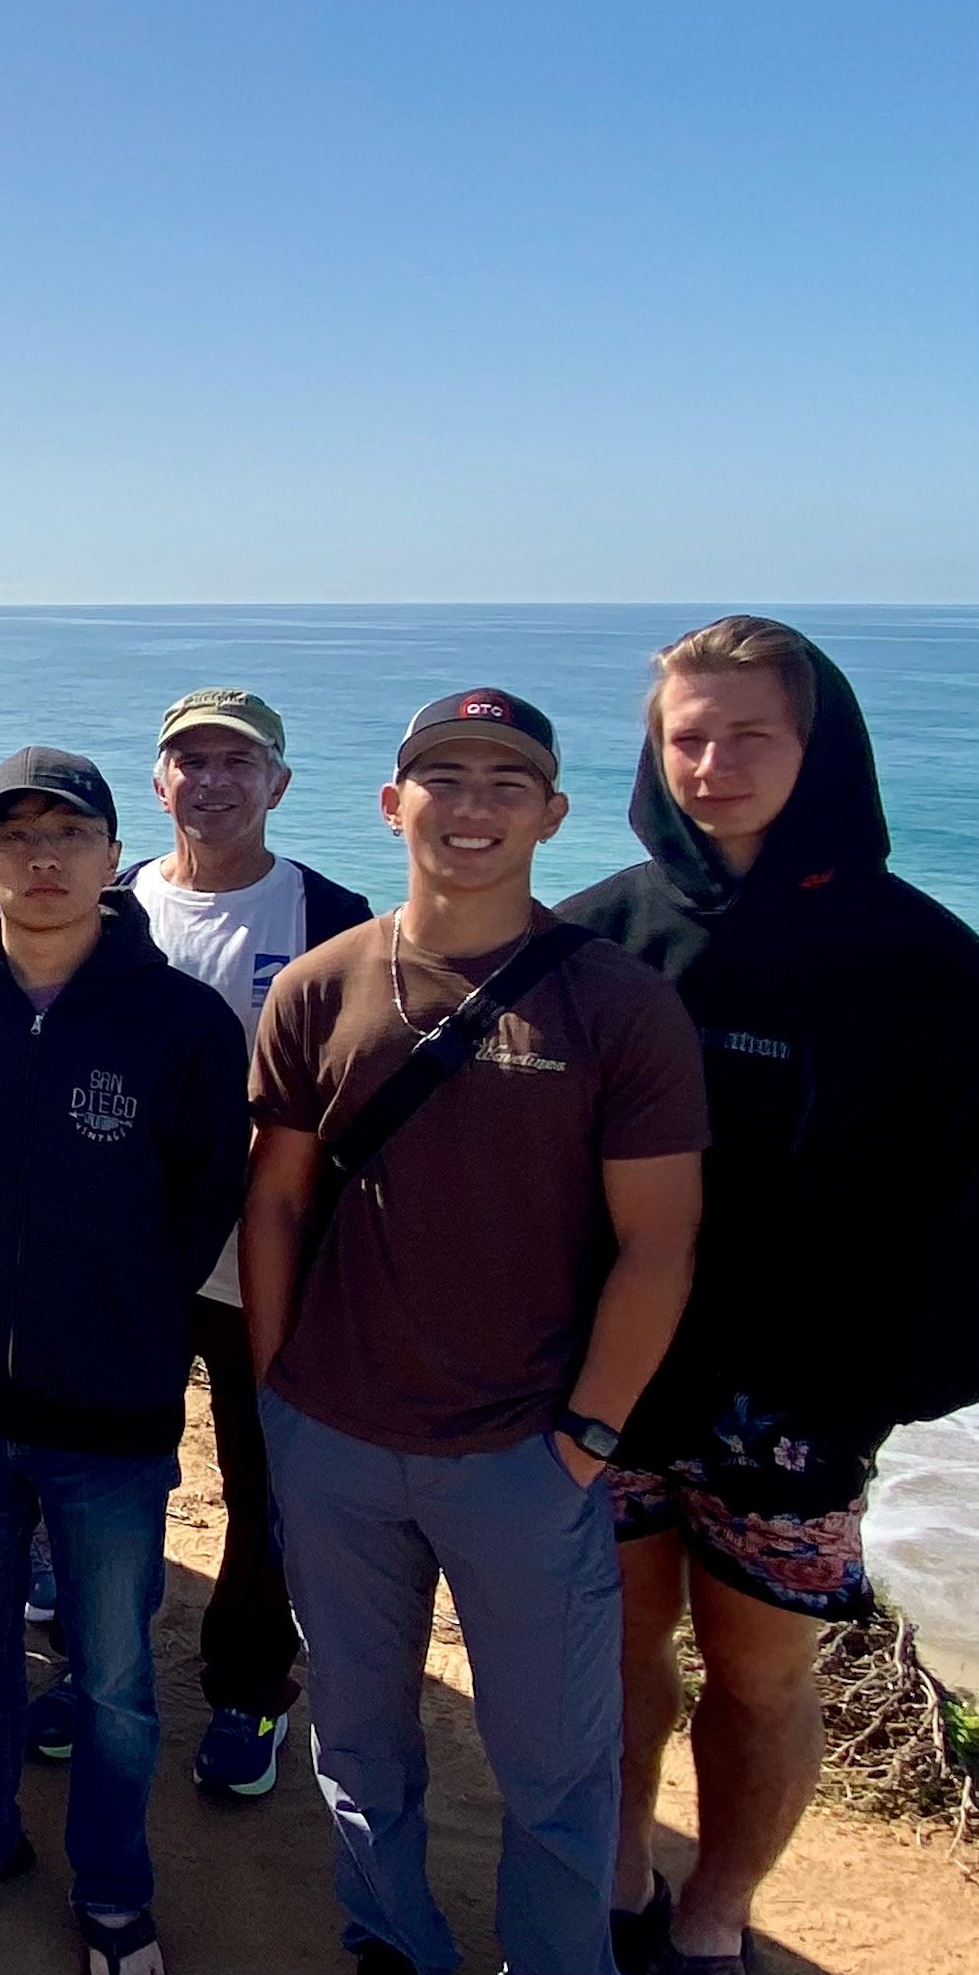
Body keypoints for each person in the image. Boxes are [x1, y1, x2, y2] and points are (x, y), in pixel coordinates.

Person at [242, 690, 707, 1975]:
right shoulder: (320, 983)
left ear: (551, 815)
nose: (473, 803)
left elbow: (659, 1240)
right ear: (392, 804)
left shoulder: (616, 1004)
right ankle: (390, 1937)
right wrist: (280, 1386)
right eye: (442, 777)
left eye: (508, 780)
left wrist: (587, 1433)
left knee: (554, 1765)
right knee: (357, 1736)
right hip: (331, 1435)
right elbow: (273, 1198)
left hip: (521, 1453)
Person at [559, 618, 979, 1975]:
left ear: (817, 747)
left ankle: (715, 1906)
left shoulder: (921, 960)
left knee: (755, 1674)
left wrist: (890, 1385)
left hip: (796, 1400)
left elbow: (961, 1199)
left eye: (748, 734)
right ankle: (617, 1868)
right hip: (609, 1379)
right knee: (617, 1654)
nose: (711, 761)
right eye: (686, 734)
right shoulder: (595, 937)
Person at [0, 750, 250, 1975]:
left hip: (112, 1413)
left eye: (67, 832)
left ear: (107, 851)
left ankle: (113, 1892)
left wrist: (126, 1313)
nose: (40, 856)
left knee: (117, 1679)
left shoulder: (182, 1020)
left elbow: (202, 1198)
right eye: (13, 835)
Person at [117, 688, 373, 1801]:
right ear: (157, 779)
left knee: (261, 1481)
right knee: (111, 1469)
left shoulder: (333, 913)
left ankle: (248, 1686)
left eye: (237, 760)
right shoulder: (114, 906)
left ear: (276, 781)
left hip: (268, 1263)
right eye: (188, 760)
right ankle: (98, 1666)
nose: (211, 780)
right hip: (126, 1255)